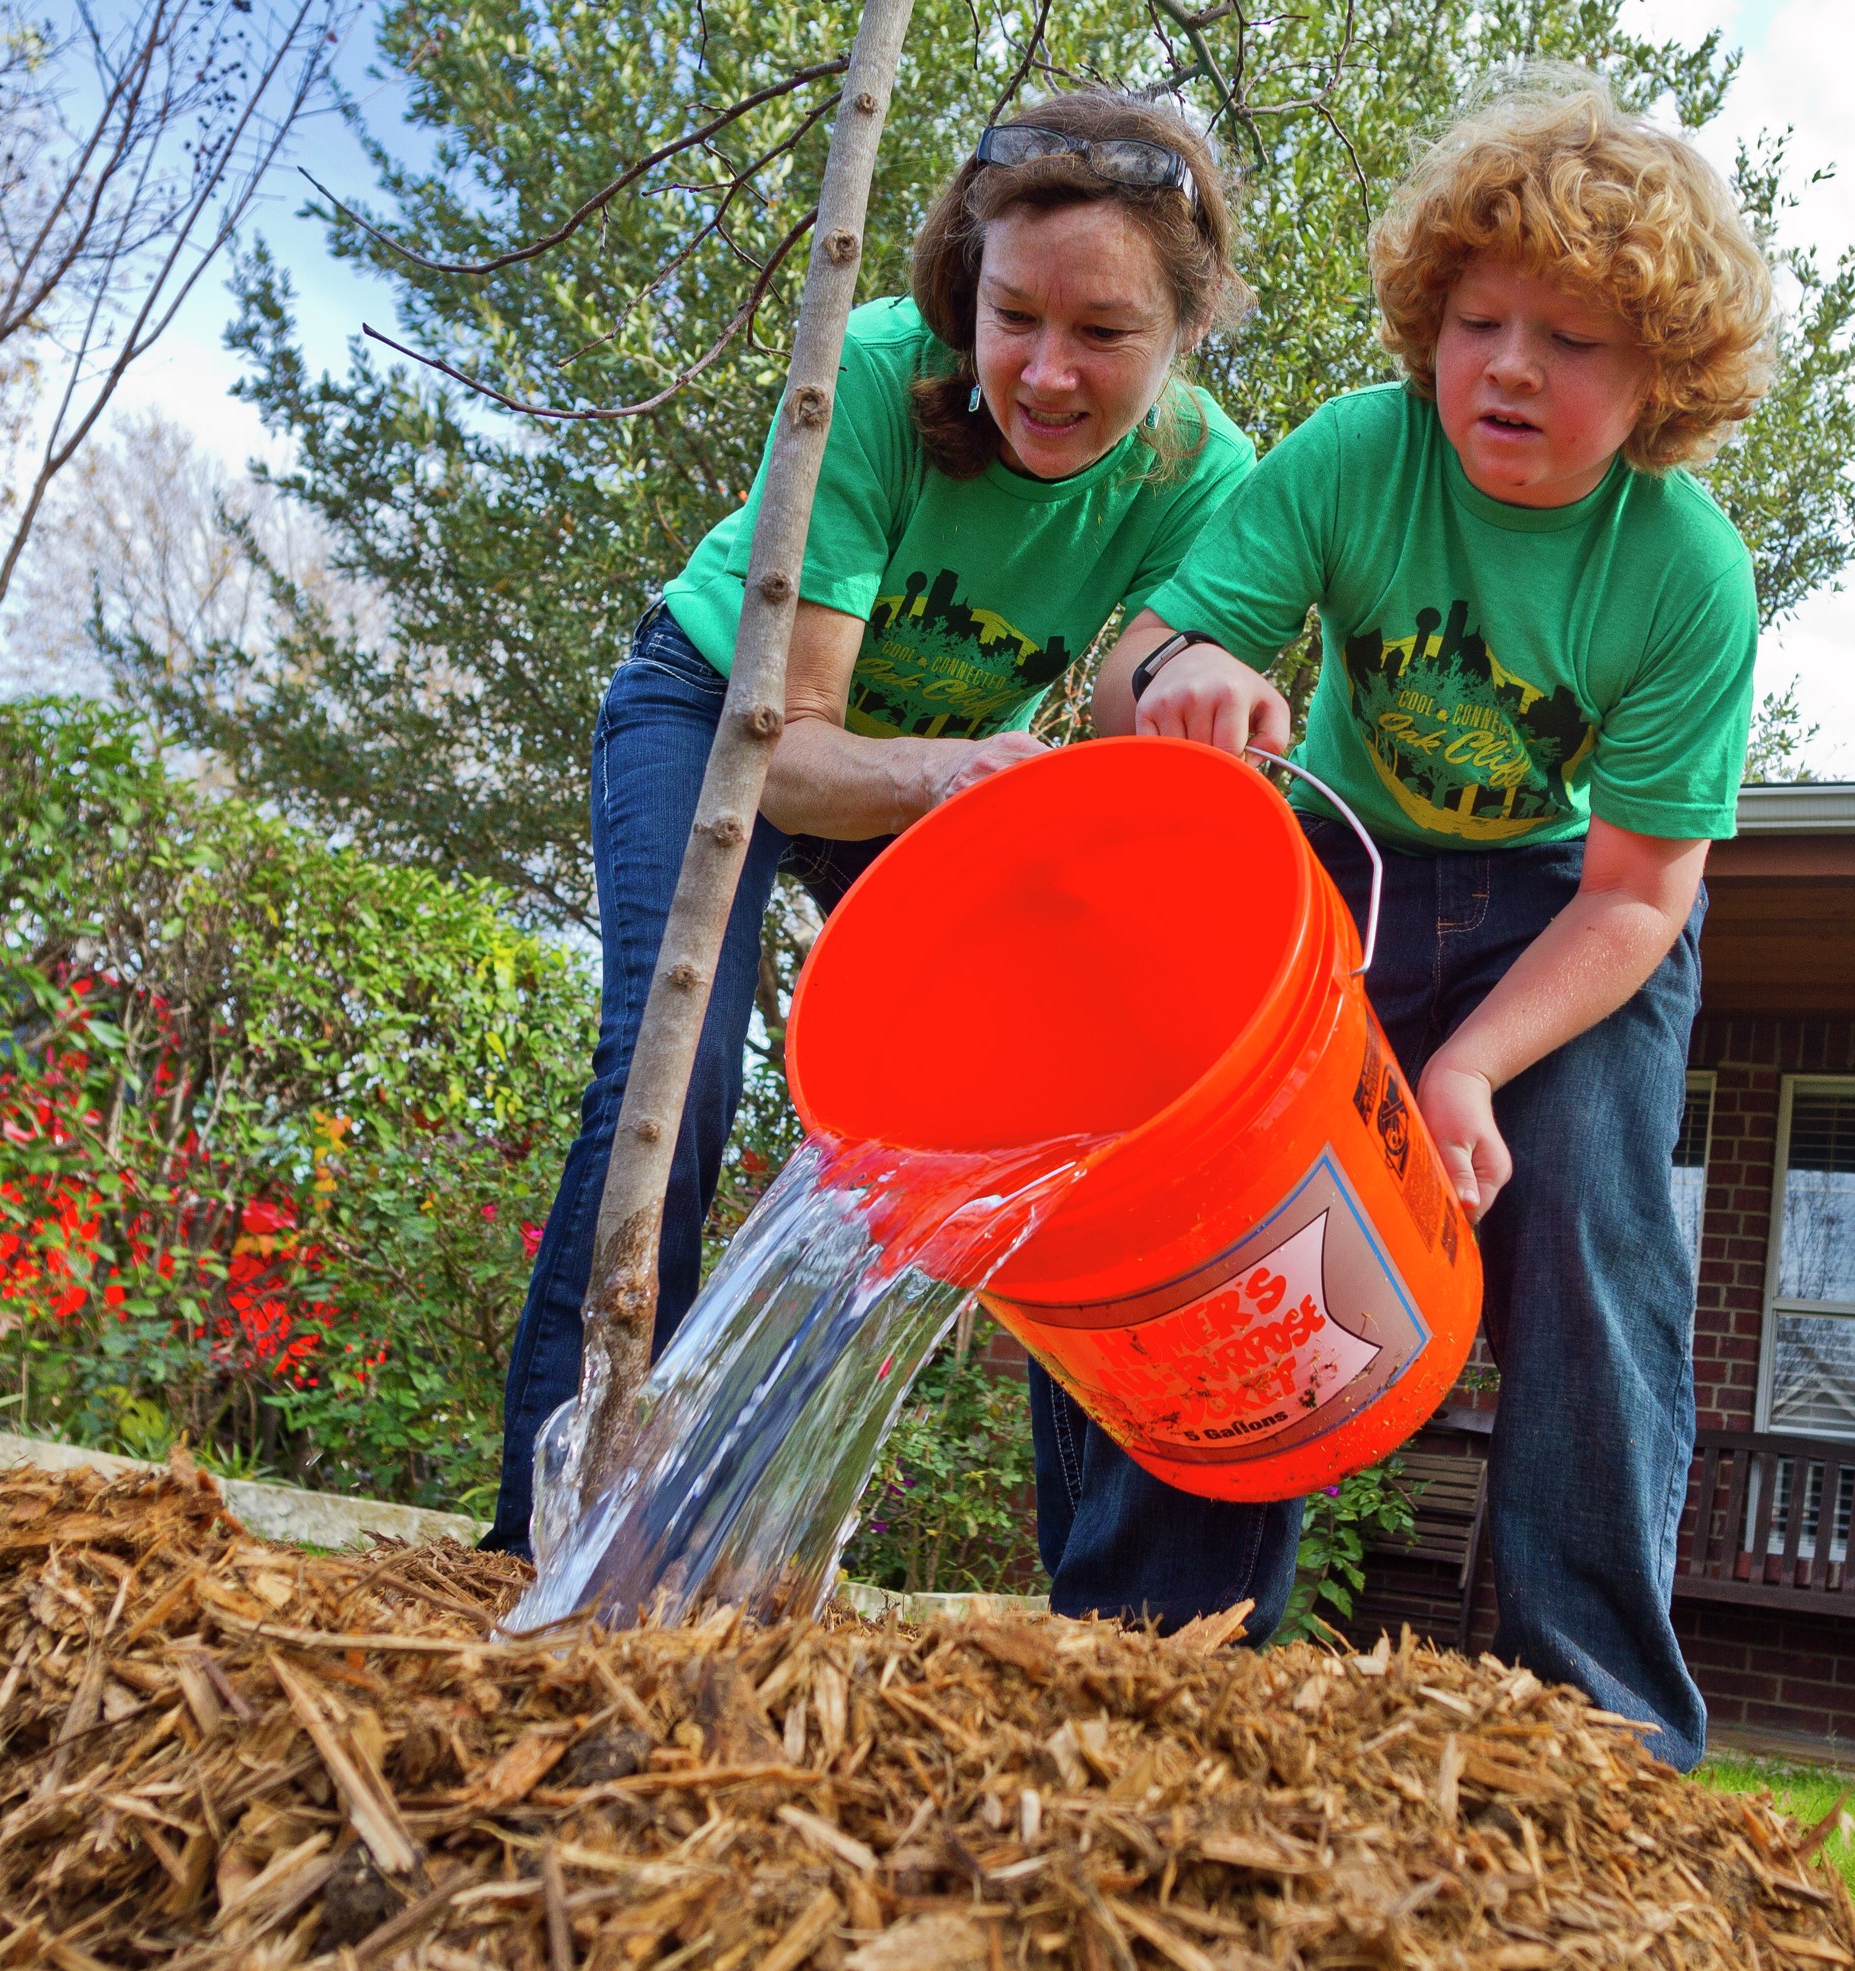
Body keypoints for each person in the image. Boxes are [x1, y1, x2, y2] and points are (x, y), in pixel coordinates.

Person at [486, 94, 1302, 1634]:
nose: (1046, 373)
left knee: (1057, 1107)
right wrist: (956, 772)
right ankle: (549, 1536)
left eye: (1104, 333)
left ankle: (1117, 1608)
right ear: (963, 295)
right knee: (677, 1069)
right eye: (1013, 317)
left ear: (1186, 332)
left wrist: (1214, 696)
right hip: (721, 715)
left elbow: (1138, 699)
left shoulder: (1202, 472)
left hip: (925, 776)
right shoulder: (872, 374)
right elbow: (791, 749)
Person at [1094, 69, 1773, 1764]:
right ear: (1429, 323)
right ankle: (1153, 1658)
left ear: (1668, 383)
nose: (1513, 368)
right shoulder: (1356, 450)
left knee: (1596, 1239)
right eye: (1479, 322)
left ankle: (1600, 1729)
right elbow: (1138, 658)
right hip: (1340, 877)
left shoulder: (1687, 573)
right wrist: (1192, 672)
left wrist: (1466, 1070)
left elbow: (1637, 894)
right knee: (1206, 1210)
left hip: (1563, 918)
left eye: (1578, 340)